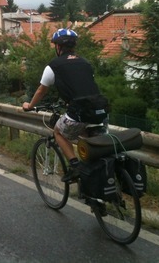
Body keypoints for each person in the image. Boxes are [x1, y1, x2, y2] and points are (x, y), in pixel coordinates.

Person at [23, 28, 107, 183]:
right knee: (90, 141)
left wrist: (30, 105)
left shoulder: (53, 66)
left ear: (58, 47)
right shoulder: (85, 62)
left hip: (79, 111)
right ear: (73, 46)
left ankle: (75, 166)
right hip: (100, 110)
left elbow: (42, 90)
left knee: (58, 132)